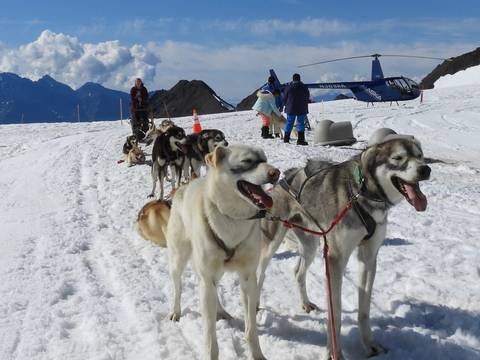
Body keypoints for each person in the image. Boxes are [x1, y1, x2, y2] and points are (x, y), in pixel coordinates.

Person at [282, 73, 310, 145]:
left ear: (293, 79)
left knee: (289, 123)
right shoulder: (304, 87)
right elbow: (307, 97)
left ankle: (286, 139)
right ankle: (300, 140)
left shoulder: (289, 87)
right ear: (300, 79)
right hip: (302, 108)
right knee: (300, 123)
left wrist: (286, 105)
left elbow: (284, 98)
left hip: (291, 108)